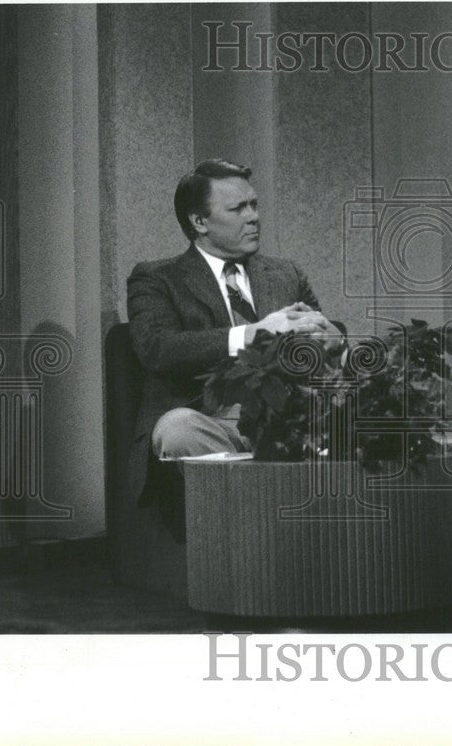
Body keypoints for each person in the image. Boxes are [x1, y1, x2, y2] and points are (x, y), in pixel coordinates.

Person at [126, 158, 341, 523]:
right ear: (200, 222)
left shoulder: (286, 273)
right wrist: (255, 332)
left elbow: (320, 342)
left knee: (351, 410)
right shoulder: (158, 278)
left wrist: (331, 339)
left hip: (285, 418)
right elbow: (158, 348)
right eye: (238, 208)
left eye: (254, 205)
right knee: (176, 429)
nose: (253, 216)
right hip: (211, 421)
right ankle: (268, 501)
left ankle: (268, 491)